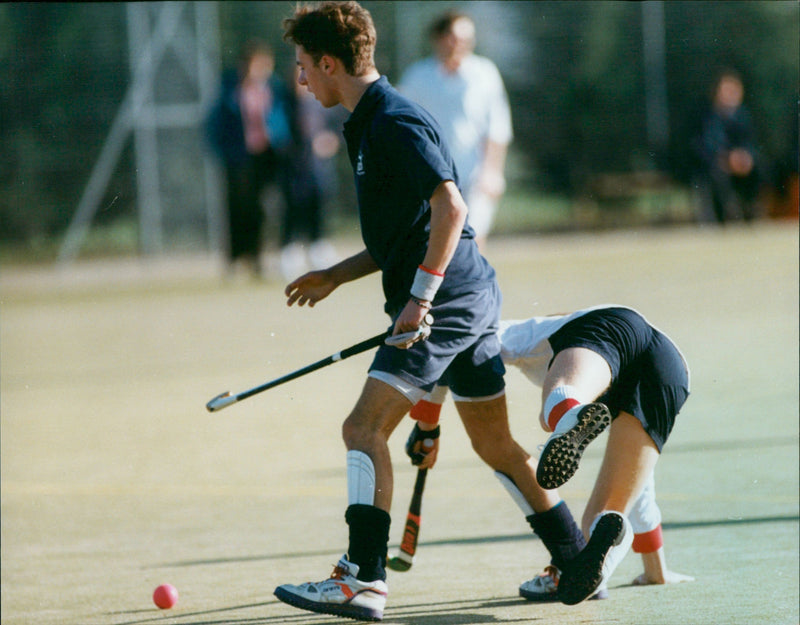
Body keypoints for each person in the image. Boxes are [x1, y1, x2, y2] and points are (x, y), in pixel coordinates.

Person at [275, 3, 587, 621]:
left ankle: (361, 578)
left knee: (363, 429)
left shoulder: (393, 120)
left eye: (306, 67)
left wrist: (419, 301)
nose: (303, 80)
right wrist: (336, 276)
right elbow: (407, 231)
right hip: (462, 297)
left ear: (331, 64)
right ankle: (577, 560)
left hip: (443, 301)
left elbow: (452, 209)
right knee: (496, 444)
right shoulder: (364, 123)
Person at [406, 305, 694, 604]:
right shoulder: (558, 332)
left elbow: (457, 342)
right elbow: (642, 484)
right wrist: (654, 572)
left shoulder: (526, 329)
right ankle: (592, 569)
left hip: (613, 326)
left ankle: (569, 415)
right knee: (605, 517)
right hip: (671, 368)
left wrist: (427, 425)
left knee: (559, 402)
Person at [398, 11, 513, 251]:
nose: (461, 44)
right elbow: (402, 126)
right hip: (433, 175)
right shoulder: (417, 77)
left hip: (475, 174)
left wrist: (492, 172)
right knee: (436, 244)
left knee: (472, 242)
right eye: (454, 37)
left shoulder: (485, 73)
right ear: (438, 39)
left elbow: (497, 127)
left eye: (466, 38)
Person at [206, 41, 293, 277]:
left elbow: (282, 121)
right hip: (240, 159)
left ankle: (257, 259)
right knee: (238, 209)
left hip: (266, 158)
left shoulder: (274, 89)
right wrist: (224, 153)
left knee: (263, 209)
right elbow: (214, 126)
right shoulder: (229, 91)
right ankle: (235, 259)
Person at [278, 67, 344, 281]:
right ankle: (290, 254)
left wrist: (331, 141)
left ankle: (319, 250)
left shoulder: (321, 104)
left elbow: (338, 129)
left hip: (318, 170)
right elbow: (276, 133)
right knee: (293, 212)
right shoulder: (284, 105)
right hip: (292, 171)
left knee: (319, 209)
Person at [694, 69, 761, 224]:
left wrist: (746, 156)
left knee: (757, 167)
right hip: (716, 162)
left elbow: (750, 142)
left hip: (738, 163)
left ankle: (750, 211)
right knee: (717, 174)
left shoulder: (743, 115)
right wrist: (724, 158)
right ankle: (724, 216)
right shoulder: (707, 116)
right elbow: (703, 145)